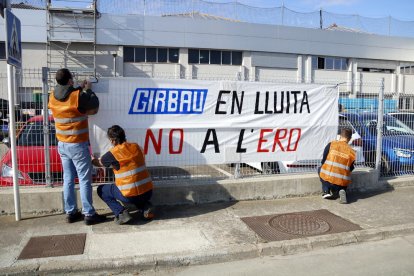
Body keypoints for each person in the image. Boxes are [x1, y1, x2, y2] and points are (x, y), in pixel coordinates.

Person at [48, 68, 106, 225]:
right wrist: (88, 89)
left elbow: (67, 96)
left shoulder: (52, 96)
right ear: (69, 80)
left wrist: (78, 88)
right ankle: (89, 214)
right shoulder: (77, 96)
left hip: (62, 144)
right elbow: (93, 105)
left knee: (68, 178)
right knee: (84, 179)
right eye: (71, 78)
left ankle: (71, 212)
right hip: (77, 144)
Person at [92, 125, 154, 225]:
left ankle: (121, 213)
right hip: (147, 192)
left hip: (130, 196)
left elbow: (98, 163)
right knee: (136, 191)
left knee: (101, 190)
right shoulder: (136, 147)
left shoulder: (112, 154)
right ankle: (145, 208)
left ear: (112, 140)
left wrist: (92, 159)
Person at [319, 128, 356, 204]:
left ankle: (326, 191)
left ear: (340, 136)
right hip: (342, 182)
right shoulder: (352, 152)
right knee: (346, 173)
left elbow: (323, 160)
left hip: (328, 179)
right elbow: (351, 168)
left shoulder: (331, 144)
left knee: (320, 168)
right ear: (349, 139)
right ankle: (342, 190)